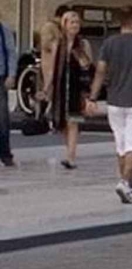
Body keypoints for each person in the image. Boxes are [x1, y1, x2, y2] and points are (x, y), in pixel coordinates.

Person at [87, 5, 132, 203]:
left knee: (121, 146)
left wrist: (93, 97)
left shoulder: (109, 44)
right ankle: (124, 180)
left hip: (115, 100)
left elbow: (100, 72)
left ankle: (129, 188)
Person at [49, 11, 92, 170]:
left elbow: (88, 67)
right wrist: (47, 87)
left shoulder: (82, 45)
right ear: (64, 25)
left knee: (73, 121)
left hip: (77, 88)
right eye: (71, 22)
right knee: (64, 124)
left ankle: (71, 157)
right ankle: (69, 151)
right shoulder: (57, 44)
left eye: (77, 22)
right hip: (61, 88)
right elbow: (52, 69)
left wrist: (88, 93)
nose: (74, 25)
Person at [0, 10, 15, 168]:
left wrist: (11, 74)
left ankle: (5, 153)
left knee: (2, 118)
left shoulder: (3, 29)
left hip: (0, 77)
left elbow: (11, 52)